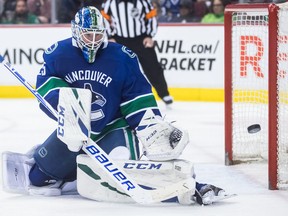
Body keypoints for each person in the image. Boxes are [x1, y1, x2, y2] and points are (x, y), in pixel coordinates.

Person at [2, 6, 229, 206]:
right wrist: (69, 109)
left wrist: (150, 126)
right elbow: (47, 87)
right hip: (75, 130)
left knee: (121, 169)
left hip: (114, 126)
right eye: (87, 34)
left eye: (97, 35)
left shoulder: (122, 57)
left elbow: (137, 98)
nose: (92, 40)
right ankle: (73, 174)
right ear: (75, 31)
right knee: (38, 179)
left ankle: (188, 189)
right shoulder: (59, 54)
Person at [101, 0, 174, 106]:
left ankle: (164, 93)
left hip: (141, 38)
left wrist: (149, 35)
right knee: (116, 69)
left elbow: (151, 18)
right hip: (119, 39)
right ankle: (113, 96)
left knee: (152, 66)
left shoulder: (143, 2)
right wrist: (110, 36)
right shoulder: (110, 2)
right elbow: (104, 19)